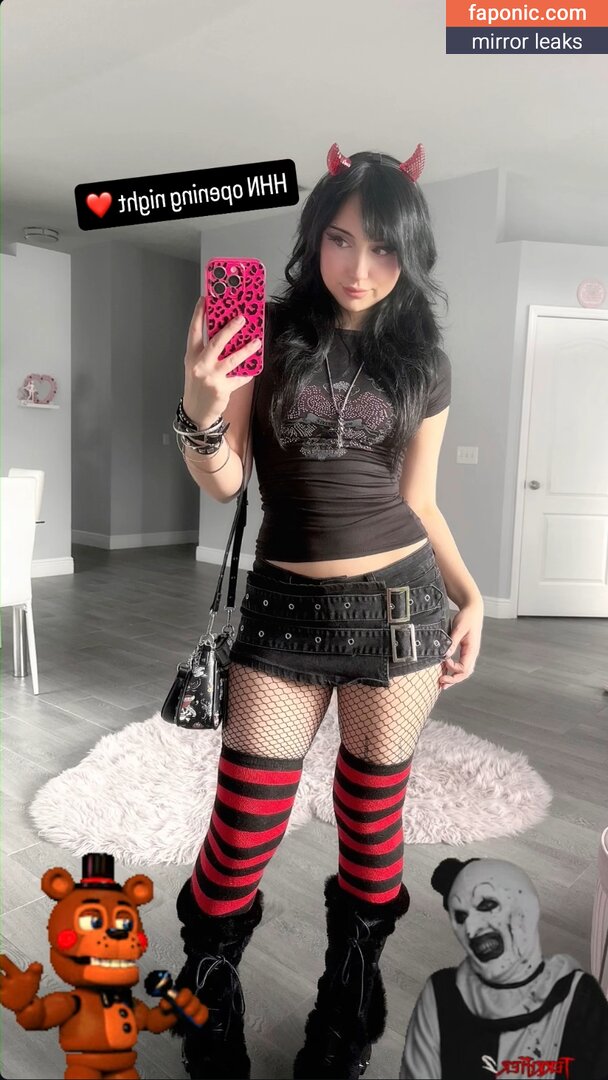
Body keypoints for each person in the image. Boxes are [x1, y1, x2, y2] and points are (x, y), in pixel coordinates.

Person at [172, 143, 484, 1080]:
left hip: (401, 612)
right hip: (284, 613)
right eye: (341, 240)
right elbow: (226, 483)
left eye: (383, 248)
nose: (359, 266)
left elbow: (420, 502)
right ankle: (208, 994)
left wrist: (470, 595)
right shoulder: (261, 331)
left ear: (409, 254)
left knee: (373, 824)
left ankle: (348, 1005)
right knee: (243, 827)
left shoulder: (424, 362)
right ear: (314, 238)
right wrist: (202, 402)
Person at [400, 858, 608, 1080]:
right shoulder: (440, 994)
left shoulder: (578, 998)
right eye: (460, 916)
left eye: (486, 905)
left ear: (527, 907)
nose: (470, 928)